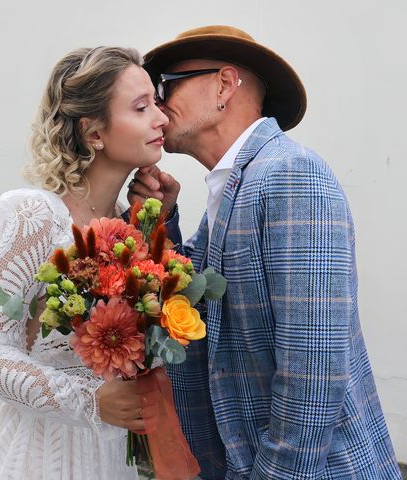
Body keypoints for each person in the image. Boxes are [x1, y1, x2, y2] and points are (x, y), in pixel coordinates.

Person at [128, 25, 402, 479]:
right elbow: (204, 311)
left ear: (224, 85)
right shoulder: (237, 182)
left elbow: (312, 372)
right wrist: (161, 224)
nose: (158, 104)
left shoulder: (290, 174)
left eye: (167, 86)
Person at [0, 46, 171, 480]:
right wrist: (89, 399)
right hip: (30, 450)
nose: (161, 118)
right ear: (93, 131)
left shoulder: (128, 223)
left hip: (105, 452)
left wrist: (151, 227)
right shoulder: (31, 214)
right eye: (141, 107)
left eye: (156, 103)